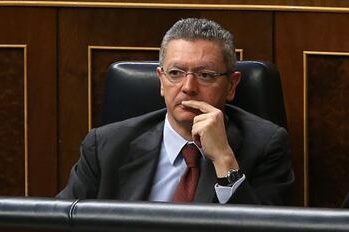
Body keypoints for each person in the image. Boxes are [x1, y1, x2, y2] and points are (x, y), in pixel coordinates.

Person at [57, 18, 295, 205]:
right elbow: (61, 221)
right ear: (161, 81)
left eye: (206, 75)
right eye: (175, 73)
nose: (188, 88)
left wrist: (225, 160)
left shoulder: (265, 146)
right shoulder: (105, 146)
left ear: (231, 85)